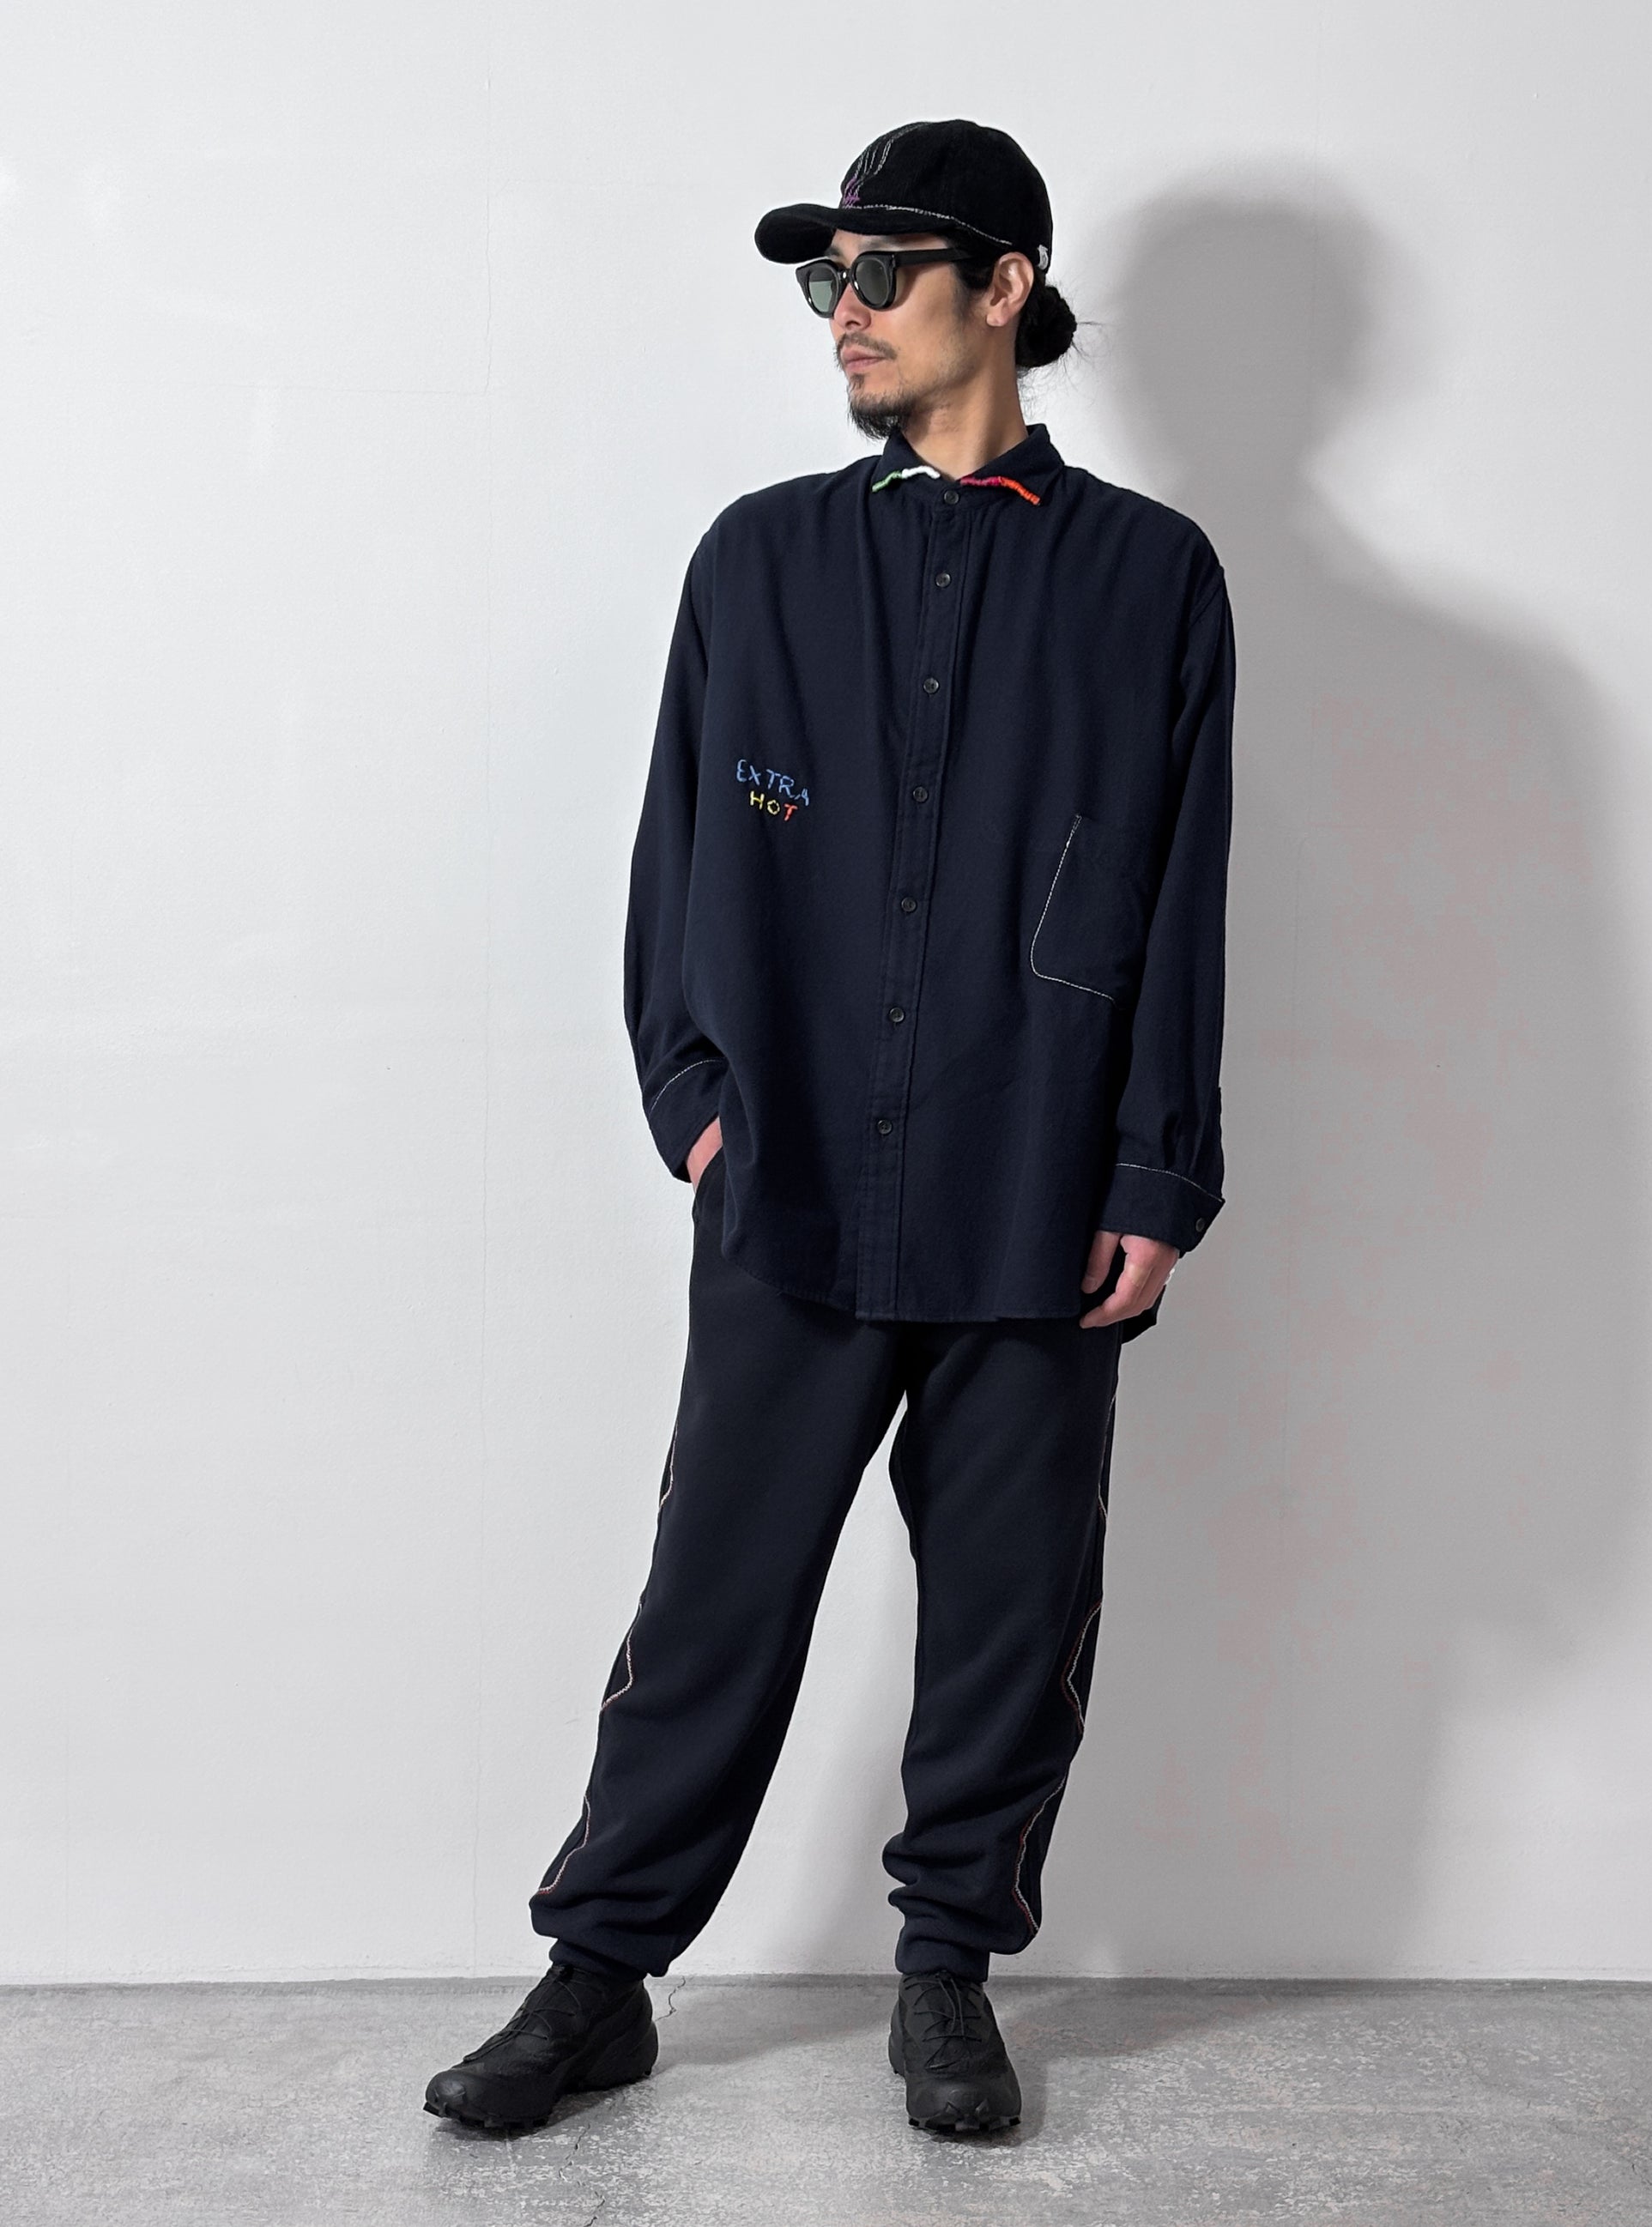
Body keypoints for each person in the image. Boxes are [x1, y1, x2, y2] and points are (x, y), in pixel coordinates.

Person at [425, 116, 1234, 2139]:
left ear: (1004, 288)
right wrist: (695, 1106)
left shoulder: (1148, 575)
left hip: (1037, 1182)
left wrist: (1155, 1172)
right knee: (712, 1594)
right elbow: (676, 856)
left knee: (1010, 1612)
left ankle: (946, 1970)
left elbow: (1181, 894)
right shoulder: (761, 558)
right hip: (789, 1181)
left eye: (881, 274)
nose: (843, 313)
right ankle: (598, 1974)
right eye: (824, 280)